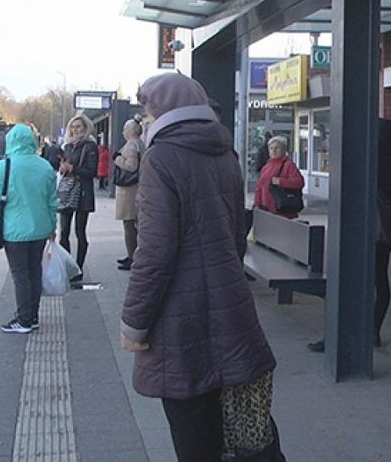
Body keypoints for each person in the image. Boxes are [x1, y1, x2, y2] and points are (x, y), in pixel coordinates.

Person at [121, 72, 283, 462]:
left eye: (146, 110)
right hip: (230, 308)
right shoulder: (224, 154)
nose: (144, 120)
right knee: (238, 431)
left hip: (181, 319)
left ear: (163, 110)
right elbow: (233, 234)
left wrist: (134, 323)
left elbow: (154, 254)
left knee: (193, 431)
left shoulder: (162, 157)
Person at [308, 119, 391, 352]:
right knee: (380, 280)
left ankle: (338, 332)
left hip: (356, 232)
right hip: (382, 233)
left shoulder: (363, 161)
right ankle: (374, 331)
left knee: (346, 279)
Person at [0, 123, 57, 334]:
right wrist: (53, 227)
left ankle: (23, 319)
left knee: (20, 275)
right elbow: (52, 202)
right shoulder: (44, 166)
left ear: (11, 142)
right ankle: (33, 315)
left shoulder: (3, 166)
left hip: (14, 230)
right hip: (41, 228)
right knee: (35, 271)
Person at [58, 114, 99, 277]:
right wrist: (62, 168)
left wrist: (72, 168)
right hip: (67, 191)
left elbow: (91, 172)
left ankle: (79, 268)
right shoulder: (67, 147)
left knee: (80, 231)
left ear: (86, 128)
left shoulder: (90, 147)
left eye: (79, 126)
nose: (76, 130)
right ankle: (68, 266)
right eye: (73, 127)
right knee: (64, 231)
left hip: (83, 192)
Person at [114, 119, 144, 271]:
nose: (123, 132)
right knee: (134, 225)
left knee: (129, 225)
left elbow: (131, 166)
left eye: (125, 128)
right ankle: (133, 255)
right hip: (137, 188)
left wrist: (117, 159)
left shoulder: (131, 145)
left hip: (129, 191)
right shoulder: (140, 143)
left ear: (131, 130)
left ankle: (132, 257)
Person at [254, 135, 305, 219]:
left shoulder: (288, 165)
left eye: (277, 148)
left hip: (283, 211)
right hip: (266, 210)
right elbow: (259, 187)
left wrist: (281, 182)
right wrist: (256, 205)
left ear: (284, 150)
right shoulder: (266, 167)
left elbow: (299, 182)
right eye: (271, 148)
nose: (273, 151)